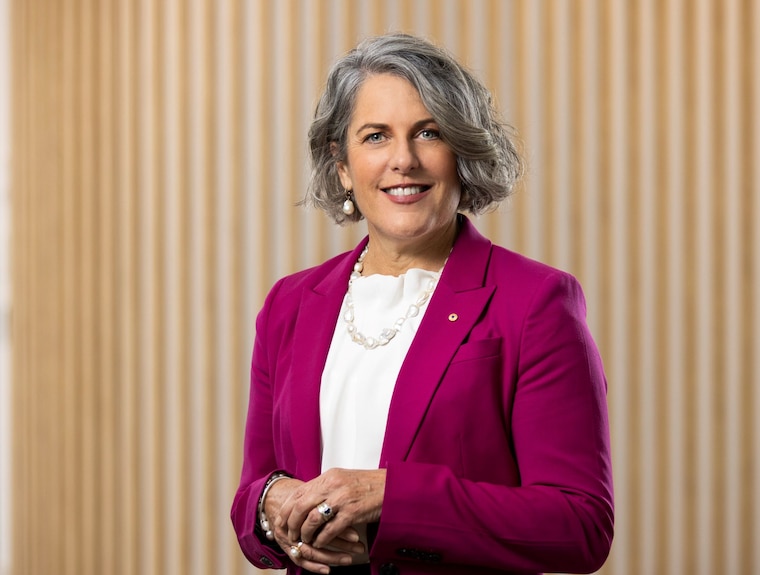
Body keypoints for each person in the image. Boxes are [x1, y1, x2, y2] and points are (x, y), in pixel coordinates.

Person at [231, 33, 614, 575]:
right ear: (342, 165)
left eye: (428, 133)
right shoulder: (290, 304)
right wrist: (272, 507)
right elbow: (253, 494)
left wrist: (389, 501)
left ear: (462, 154)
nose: (403, 160)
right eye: (375, 136)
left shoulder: (535, 302)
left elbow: (580, 526)